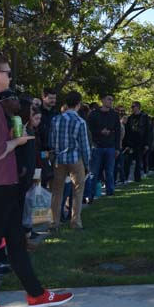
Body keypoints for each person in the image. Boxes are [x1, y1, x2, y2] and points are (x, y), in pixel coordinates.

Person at [0, 54, 72, 307]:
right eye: (7, 72)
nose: (10, 77)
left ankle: (36, 295)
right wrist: (18, 141)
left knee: (15, 241)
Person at [49, 91, 91, 231]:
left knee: (56, 191)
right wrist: (87, 163)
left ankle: (54, 222)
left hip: (59, 158)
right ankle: (75, 222)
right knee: (78, 191)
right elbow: (84, 145)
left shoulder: (56, 120)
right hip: (75, 158)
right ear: (78, 104)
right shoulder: (80, 122)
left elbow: (52, 141)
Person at [86, 93, 121, 198]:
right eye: (109, 99)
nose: (110, 101)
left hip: (110, 146)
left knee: (109, 171)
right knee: (94, 172)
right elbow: (89, 130)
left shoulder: (114, 115)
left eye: (112, 100)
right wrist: (100, 131)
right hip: (97, 146)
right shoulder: (93, 114)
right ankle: (90, 194)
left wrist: (117, 148)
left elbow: (118, 132)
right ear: (102, 100)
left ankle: (110, 192)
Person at [122, 102, 152, 182]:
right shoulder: (130, 118)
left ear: (138, 107)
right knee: (128, 160)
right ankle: (125, 178)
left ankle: (137, 178)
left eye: (133, 106)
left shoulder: (145, 117)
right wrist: (127, 144)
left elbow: (148, 131)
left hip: (141, 142)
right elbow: (127, 131)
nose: (132, 108)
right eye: (131, 107)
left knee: (139, 160)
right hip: (131, 142)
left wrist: (147, 143)